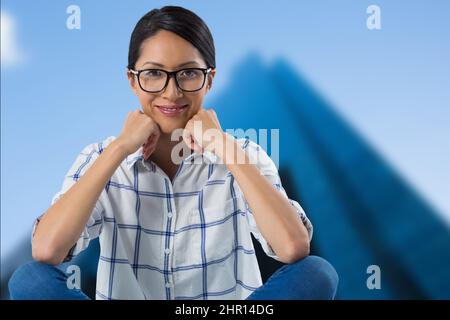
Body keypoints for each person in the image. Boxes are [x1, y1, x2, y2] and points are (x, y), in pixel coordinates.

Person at [8, 6, 338, 300]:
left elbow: (293, 248)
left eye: (188, 73)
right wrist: (120, 148)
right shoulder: (101, 156)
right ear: (132, 80)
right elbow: (47, 250)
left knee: (317, 273)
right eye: (153, 73)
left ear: (209, 80)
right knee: (30, 279)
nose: (172, 91)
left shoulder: (242, 154)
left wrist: (223, 145)